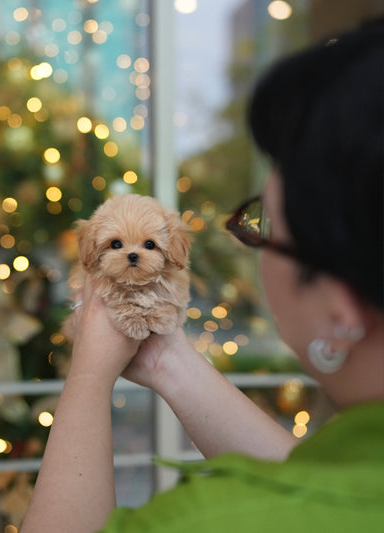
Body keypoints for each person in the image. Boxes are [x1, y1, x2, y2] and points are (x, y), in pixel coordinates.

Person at [20, 20, 384, 533]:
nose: (249, 242)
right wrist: (167, 359)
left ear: (341, 308)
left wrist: (87, 378)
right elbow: (302, 476)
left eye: (260, 224)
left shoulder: (205, 521)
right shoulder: (351, 474)